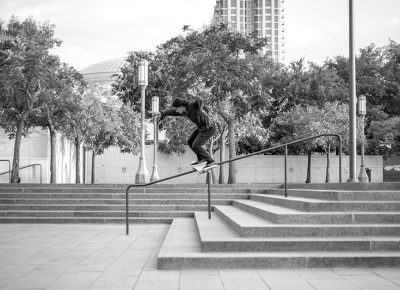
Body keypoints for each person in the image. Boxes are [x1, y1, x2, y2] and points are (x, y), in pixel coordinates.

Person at [160, 97, 216, 167]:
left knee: (196, 145)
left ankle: (210, 161)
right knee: (190, 142)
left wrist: (194, 95)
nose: (176, 111)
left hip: (209, 128)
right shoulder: (184, 112)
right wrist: (161, 113)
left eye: (177, 109)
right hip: (201, 128)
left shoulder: (193, 106)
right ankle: (201, 159)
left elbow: (201, 101)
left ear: (181, 106)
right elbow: (172, 112)